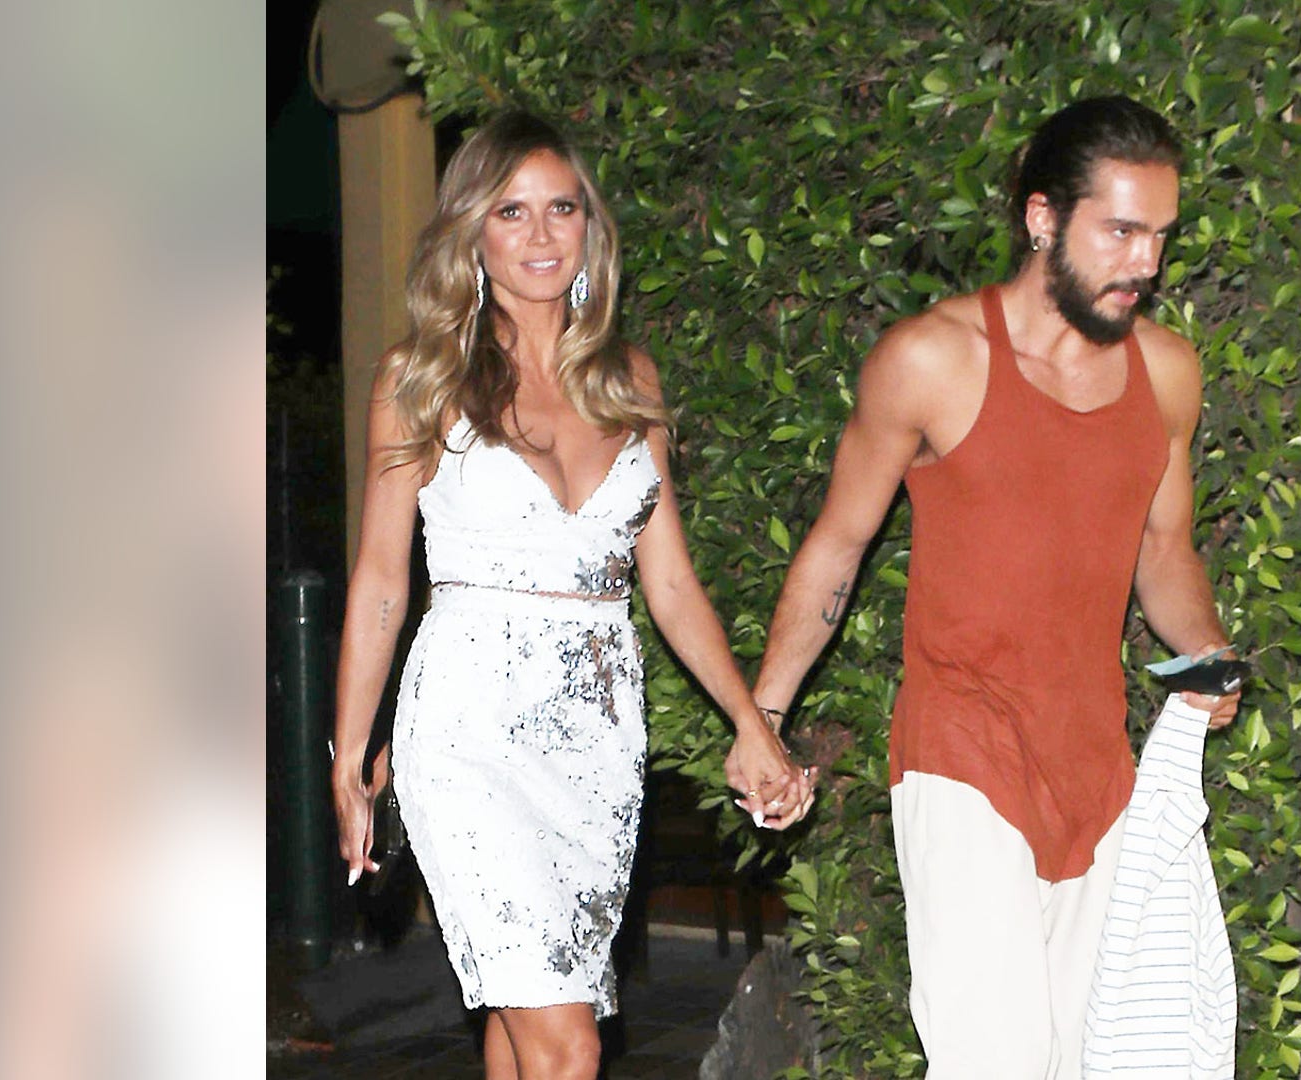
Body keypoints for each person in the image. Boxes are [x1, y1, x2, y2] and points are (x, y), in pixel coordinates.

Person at [750, 95, 1242, 1079]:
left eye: (1160, 236)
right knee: (997, 1060)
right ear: (1043, 220)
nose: (1146, 261)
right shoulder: (932, 359)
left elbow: (1165, 549)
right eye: (1121, 231)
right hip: (960, 748)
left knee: (1087, 1059)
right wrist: (762, 713)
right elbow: (837, 548)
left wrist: (1206, 658)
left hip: (1096, 760)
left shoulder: (1167, 374)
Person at [330, 111, 813, 1080]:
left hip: (597, 738)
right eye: (513, 212)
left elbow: (667, 581)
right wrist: (349, 750)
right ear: (473, 233)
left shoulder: (631, 382)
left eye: (563, 209)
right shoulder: (419, 380)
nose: (543, 235)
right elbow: (384, 579)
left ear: (591, 230)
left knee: (528, 1036)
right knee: (568, 1044)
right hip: (468, 727)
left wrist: (749, 723)